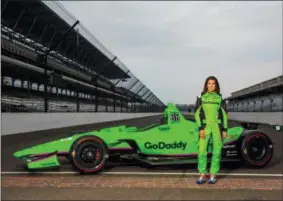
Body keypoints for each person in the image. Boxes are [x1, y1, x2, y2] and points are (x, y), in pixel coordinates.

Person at [194, 76, 228, 184]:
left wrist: (224, 129)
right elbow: (196, 114)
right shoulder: (201, 97)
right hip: (205, 127)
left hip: (217, 127)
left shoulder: (220, 98)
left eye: (213, 83)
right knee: (201, 151)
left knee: (217, 151)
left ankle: (213, 174)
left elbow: (224, 115)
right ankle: (202, 174)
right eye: (209, 83)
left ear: (216, 85)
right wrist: (200, 128)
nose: (211, 85)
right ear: (206, 85)